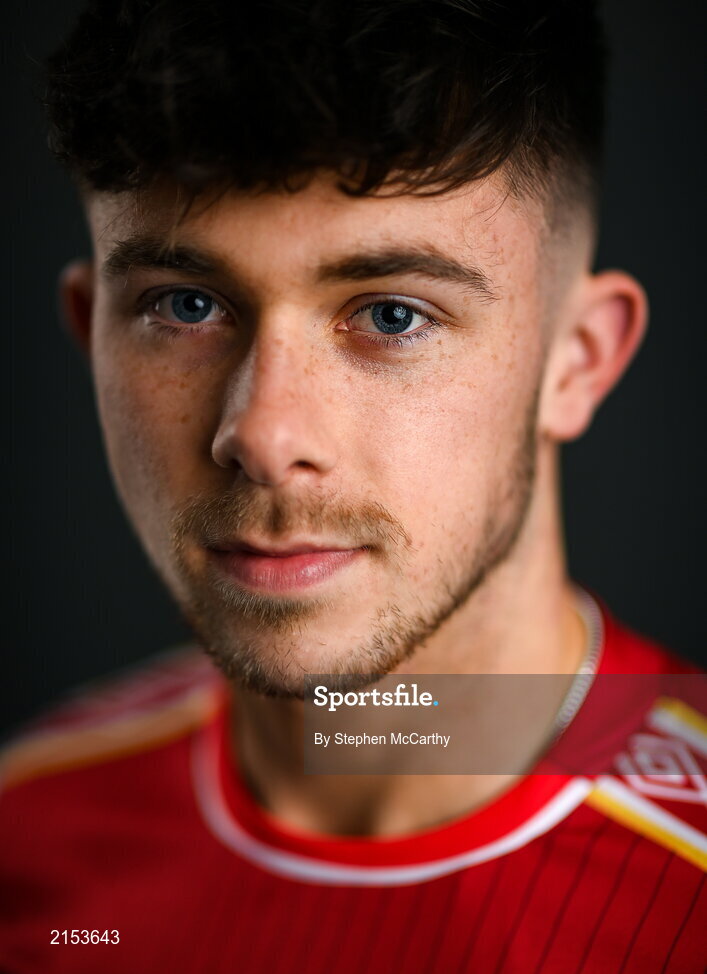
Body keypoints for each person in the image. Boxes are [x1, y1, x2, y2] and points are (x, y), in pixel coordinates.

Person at [1, 1, 705, 971]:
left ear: (575, 361)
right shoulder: (30, 822)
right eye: (185, 304)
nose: (261, 433)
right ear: (90, 331)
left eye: (391, 312)